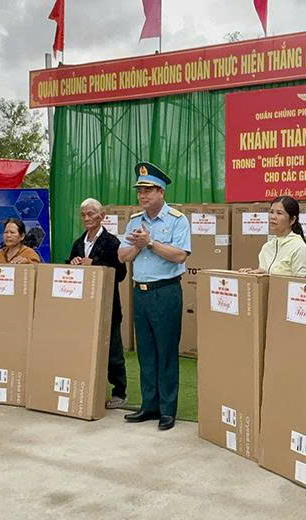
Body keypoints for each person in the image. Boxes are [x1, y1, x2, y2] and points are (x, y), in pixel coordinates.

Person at [118, 162, 191, 431]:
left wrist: (150, 242)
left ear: (161, 192)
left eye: (148, 190)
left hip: (165, 291)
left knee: (166, 352)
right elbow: (122, 256)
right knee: (146, 352)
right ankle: (149, 405)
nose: (142, 195)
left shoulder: (177, 220)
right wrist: (139, 245)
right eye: (139, 191)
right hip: (141, 293)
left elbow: (180, 255)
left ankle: (167, 410)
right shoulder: (135, 221)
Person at [66, 198, 128, 409]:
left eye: (91, 214)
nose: (86, 218)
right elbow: (70, 272)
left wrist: (95, 263)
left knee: (113, 352)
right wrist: (73, 263)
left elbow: (120, 273)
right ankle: (87, 388)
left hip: (108, 306)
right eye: (83, 214)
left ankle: (119, 391)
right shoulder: (78, 243)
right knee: (84, 349)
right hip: (84, 307)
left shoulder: (112, 242)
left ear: (102, 216)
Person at [238, 196, 306, 276]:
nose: (272, 217)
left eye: (279, 213)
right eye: (271, 212)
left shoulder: (299, 248)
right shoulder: (267, 247)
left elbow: (301, 282)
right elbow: (265, 277)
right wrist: (251, 275)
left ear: (292, 220)